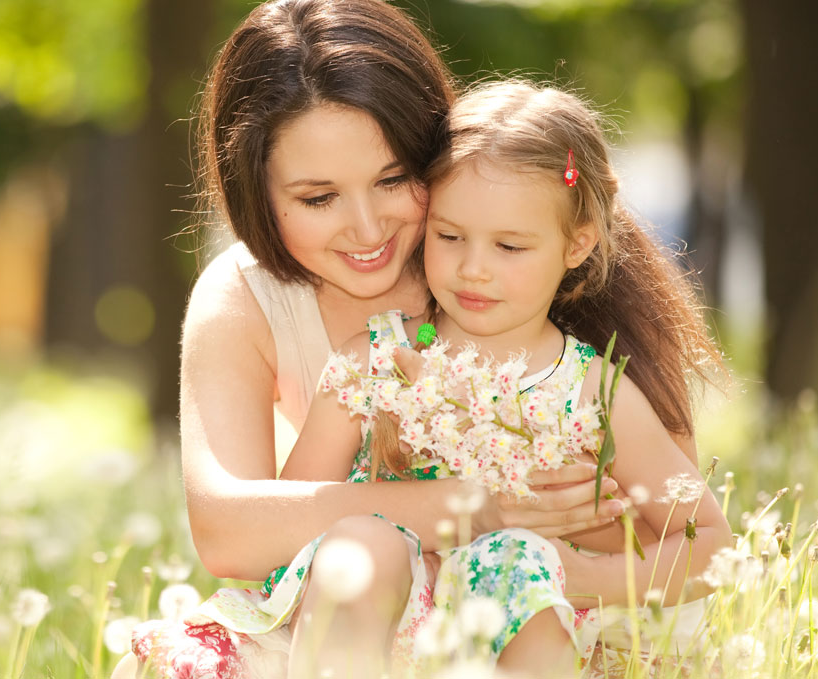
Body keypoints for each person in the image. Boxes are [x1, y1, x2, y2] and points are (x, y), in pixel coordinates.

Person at [115, 1, 629, 677]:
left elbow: (661, 520)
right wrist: (460, 505)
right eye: (317, 197)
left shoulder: (514, 260)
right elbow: (227, 531)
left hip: (514, 624)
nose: (366, 229)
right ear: (257, 194)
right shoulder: (246, 297)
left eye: (392, 179)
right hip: (341, 616)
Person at [269, 79, 732, 676]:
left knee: (517, 560)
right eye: (450, 236)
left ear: (577, 244)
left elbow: (708, 543)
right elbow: (288, 523)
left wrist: (580, 574)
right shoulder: (375, 362)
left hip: (530, 632)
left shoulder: (592, 391)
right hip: (386, 630)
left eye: (510, 246)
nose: (474, 269)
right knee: (360, 544)